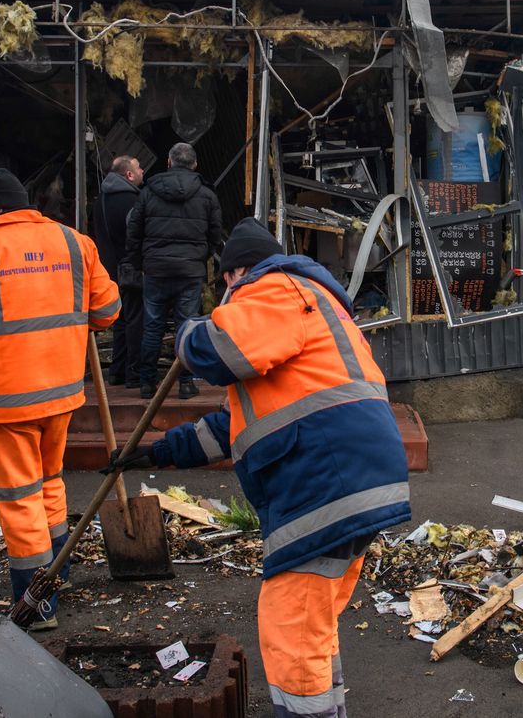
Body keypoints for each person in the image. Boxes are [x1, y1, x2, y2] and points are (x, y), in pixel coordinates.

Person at [104, 217, 411, 718]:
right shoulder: (309, 304)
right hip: (351, 480)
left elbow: (218, 350)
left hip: (324, 482)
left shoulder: (276, 288)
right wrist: (157, 450)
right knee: (312, 626)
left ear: (234, 275)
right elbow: (235, 424)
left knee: (289, 628)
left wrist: (187, 330)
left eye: (226, 283)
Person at [0, 168, 119, 630]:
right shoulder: (76, 242)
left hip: (6, 401)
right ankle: (59, 575)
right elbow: (108, 311)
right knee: (49, 482)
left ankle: (37, 605)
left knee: (19, 499)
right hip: (61, 393)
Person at [126, 142, 222, 400]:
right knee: (186, 326)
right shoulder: (207, 195)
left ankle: (147, 384)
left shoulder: (148, 192)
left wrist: (138, 262)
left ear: (168, 162)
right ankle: (186, 383)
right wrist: (200, 256)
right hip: (189, 271)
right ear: (195, 165)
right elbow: (215, 234)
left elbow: (134, 232)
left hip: (156, 269)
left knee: (153, 325)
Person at [94, 155, 145, 387]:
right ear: (129, 175)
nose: (143, 170)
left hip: (108, 269)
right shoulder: (133, 201)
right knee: (136, 320)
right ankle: (134, 374)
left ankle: (116, 371)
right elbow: (136, 236)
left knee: (120, 321)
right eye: (138, 167)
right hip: (130, 269)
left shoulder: (100, 200)